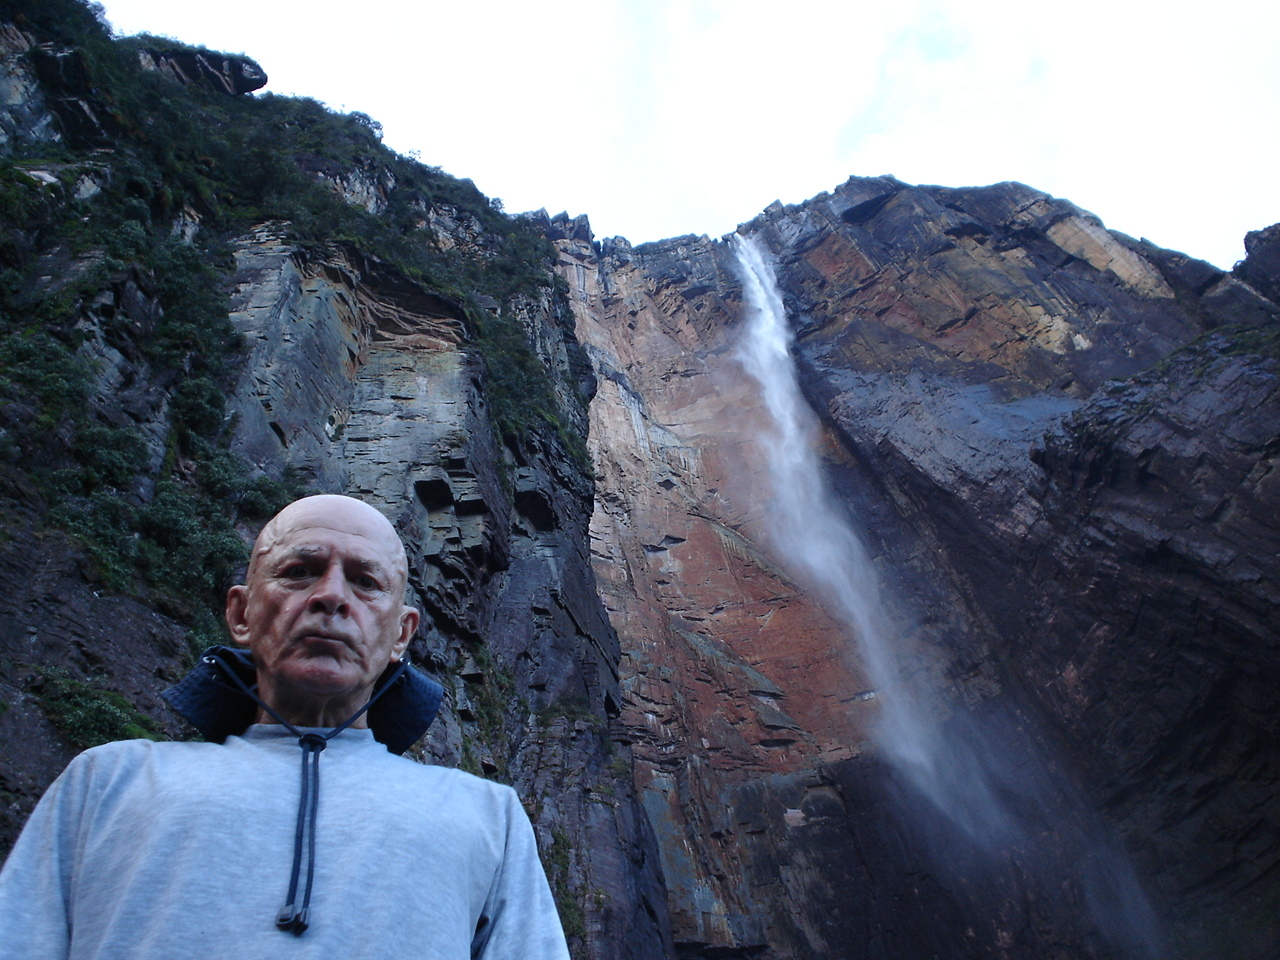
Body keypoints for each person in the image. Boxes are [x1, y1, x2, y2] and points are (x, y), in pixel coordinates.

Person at [0, 494, 571, 959]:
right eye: (299, 572)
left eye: (365, 581)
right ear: (241, 614)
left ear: (402, 634)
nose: (331, 597)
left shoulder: (489, 816)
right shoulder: (105, 781)